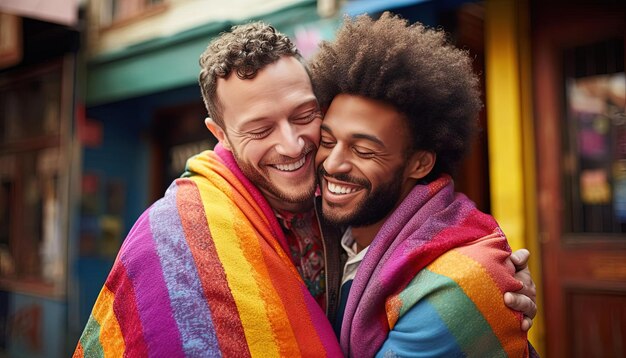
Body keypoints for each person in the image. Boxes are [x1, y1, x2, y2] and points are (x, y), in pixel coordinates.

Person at [74, 20, 536, 357]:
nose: (295, 146)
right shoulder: (176, 237)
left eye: (304, 116)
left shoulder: (331, 202)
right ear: (221, 135)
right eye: (260, 130)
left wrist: (481, 294)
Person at [310, 13, 536, 357]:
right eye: (327, 140)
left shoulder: (456, 285)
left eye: (364, 150)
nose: (333, 163)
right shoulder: (321, 240)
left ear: (420, 163)